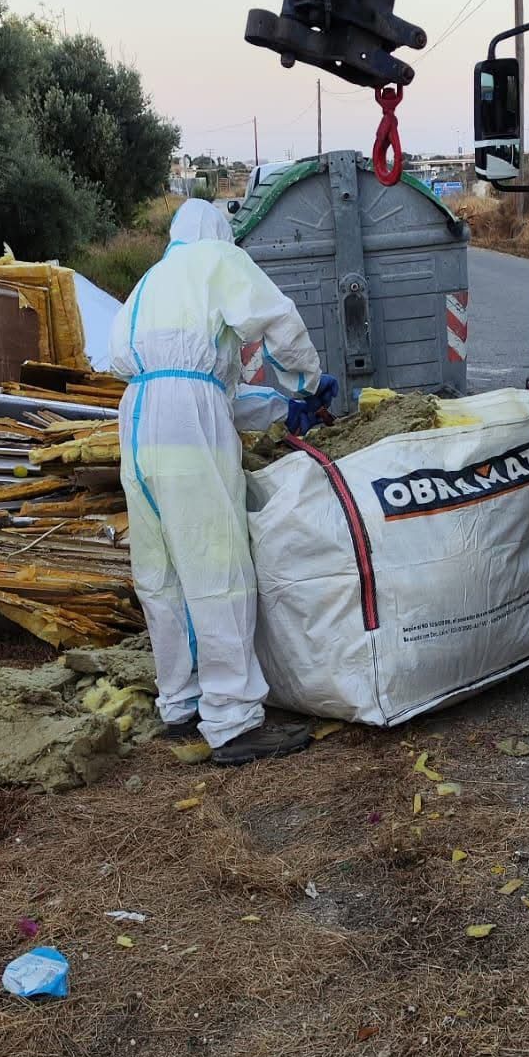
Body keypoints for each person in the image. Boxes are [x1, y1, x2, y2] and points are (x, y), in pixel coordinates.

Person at [107, 198, 332, 765]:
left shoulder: (152, 280)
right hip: (186, 421)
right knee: (216, 563)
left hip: (137, 420)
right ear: (218, 234)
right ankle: (233, 718)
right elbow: (276, 319)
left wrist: (279, 408)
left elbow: (206, 390)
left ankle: (180, 703)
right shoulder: (216, 259)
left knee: (161, 573)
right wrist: (303, 381)